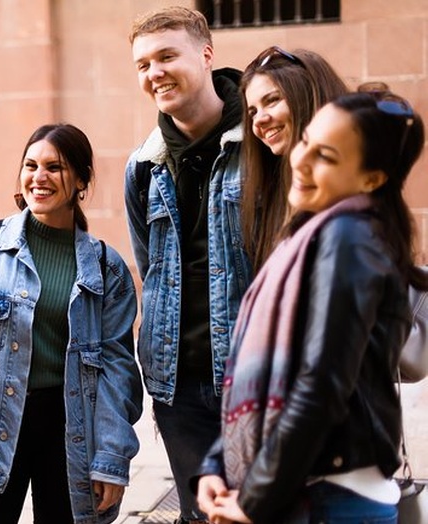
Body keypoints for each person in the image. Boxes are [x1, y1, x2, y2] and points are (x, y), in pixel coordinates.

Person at [196, 89, 428, 523]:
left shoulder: (349, 240)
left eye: (326, 156)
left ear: (371, 179)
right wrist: (218, 464)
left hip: (332, 498)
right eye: (306, 142)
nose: (300, 160)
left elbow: (321, 383)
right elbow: (263, 375)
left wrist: (255, 497)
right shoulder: (311, 235)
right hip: (313, 488)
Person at [0, 123, 143, 524]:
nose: (39, 177)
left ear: (81, 179)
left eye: (55, 167)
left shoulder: (106, 269)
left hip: (70, 428)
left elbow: (117, 368)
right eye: (30, 165)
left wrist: (112, 456)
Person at [124, 7, 250, 523]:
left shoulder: (262, 145)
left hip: (253, 378)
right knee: (202, 516)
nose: (154, 73)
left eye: (167, 56)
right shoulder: (143, 167)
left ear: (206, 53)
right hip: (178, 387)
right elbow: (151, 268)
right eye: (142, 64)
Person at [239, 46, 348, 269]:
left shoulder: (349, 193)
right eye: (253, 112)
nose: (259, 120)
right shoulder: (272, 190)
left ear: (307, 97)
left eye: (272, 100)